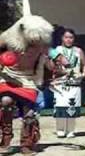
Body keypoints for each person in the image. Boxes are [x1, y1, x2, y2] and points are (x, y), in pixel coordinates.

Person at [0, 15, 53, 154]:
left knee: (29, 113)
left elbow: (49, 63)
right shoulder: (6, 39)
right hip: (8, 77)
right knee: (6, 102)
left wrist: (53, 66)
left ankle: (26, 143)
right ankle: (5, 139)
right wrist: (4, 74)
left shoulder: (43, 45)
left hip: (29, 80)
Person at [50, 29, 85, 138]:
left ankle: (70, 130)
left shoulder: (78, 51)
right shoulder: (56, 50)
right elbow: (51, 65)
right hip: (60, 83)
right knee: (60, 106)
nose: (68, 40)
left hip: (74, 83)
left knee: (72, 106)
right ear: (62, 38)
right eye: (66, 37)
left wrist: (83, 74)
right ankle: (60, 129)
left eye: (71, 37)